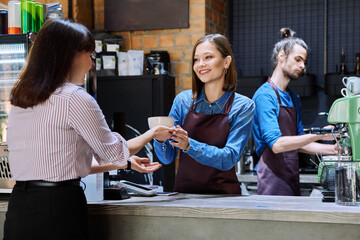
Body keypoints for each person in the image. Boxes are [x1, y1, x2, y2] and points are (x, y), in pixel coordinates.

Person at [3, 19, 172, 240]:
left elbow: (64, 163)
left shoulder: (21, 98)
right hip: (58, 209)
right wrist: (151, 134)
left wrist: (129, 163)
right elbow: (112, 152)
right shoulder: (75, 97)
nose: (92, 64)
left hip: (19, 207)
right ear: (70, 54)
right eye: (90, 55)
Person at [153, 34, 255, 194]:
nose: (201, 64)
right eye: (196, 59)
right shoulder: (183, 101)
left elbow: (228, 158)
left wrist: (188, 145)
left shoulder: (243, 106)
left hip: (225, 198)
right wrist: (160, 140)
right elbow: (167, 158)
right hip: (184, 196)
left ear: (226, 62)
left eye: (208, 57)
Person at [252, 28, 338, 196]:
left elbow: (300, 142)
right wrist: (319, 134)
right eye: (298, 59)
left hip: (291, 177)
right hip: (272, 180)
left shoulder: (293, 98)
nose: (302, 66)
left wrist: (333, 150)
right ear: (282, 56)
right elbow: (276, 145)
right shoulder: (265, 96)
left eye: (304, 61)